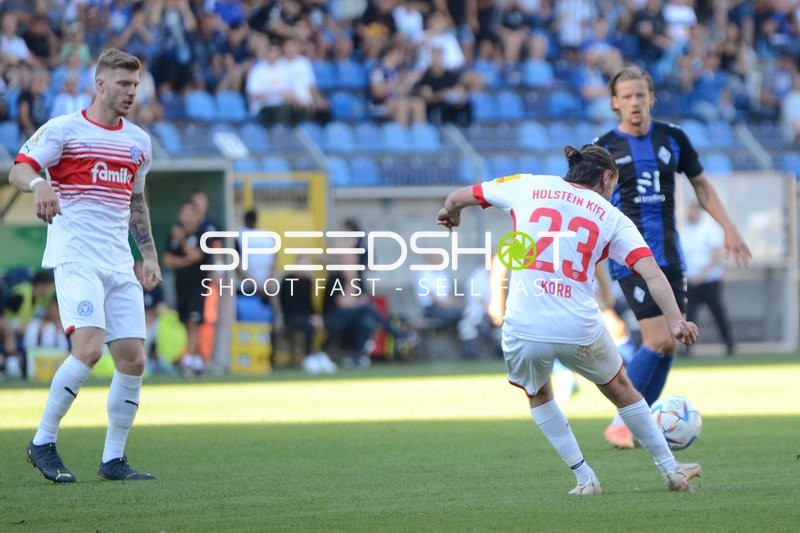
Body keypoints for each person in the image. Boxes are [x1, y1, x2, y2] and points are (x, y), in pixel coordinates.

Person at [436, 144, 702, 495]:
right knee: (622, 389)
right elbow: (651, 273)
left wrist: (451, 212)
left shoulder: (526, 185)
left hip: (524, 324)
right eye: (614, 185)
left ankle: (584, 478)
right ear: (607, 177)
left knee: (539, 393)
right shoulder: (611, 216)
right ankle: (670, 469)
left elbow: (458, 197)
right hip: (579, 324)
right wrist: (676, 320)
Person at [9, 48, 161, 483]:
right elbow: (19, 170)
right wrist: (39, 183)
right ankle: (42, 441)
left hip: (118, 261)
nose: (131, 92)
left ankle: (113, 459)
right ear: (100, 84)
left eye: (135, 84)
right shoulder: (64, 129)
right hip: (76, 256)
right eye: (123, 84)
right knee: (90, 349)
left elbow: (135, 200)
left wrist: (147, 254)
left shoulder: (138, 142)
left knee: (132, 360)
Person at [593, 65, 751, 449]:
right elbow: (589, 206)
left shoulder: (674, 138)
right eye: (626, 96)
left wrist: (728, 227)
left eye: (640, 95)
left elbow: (702, 186)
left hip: (670, 258)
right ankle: (623, 422)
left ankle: (635, 422)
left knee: (670, 343)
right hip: (628, 257)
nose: (634, 102)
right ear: (615, 102)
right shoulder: (602, 149)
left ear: (652, 98)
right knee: (659, 337)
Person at [682, 202, 735, 356]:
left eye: (692, 210)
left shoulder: (710, 229)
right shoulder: (686, 230)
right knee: (689, 316)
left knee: (718, 313)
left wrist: (702, 274)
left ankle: (730, 344)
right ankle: (687, 348)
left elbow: (717, 255)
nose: (689, 214)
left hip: (709, 281)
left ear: (699, 211)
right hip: (691, 281)